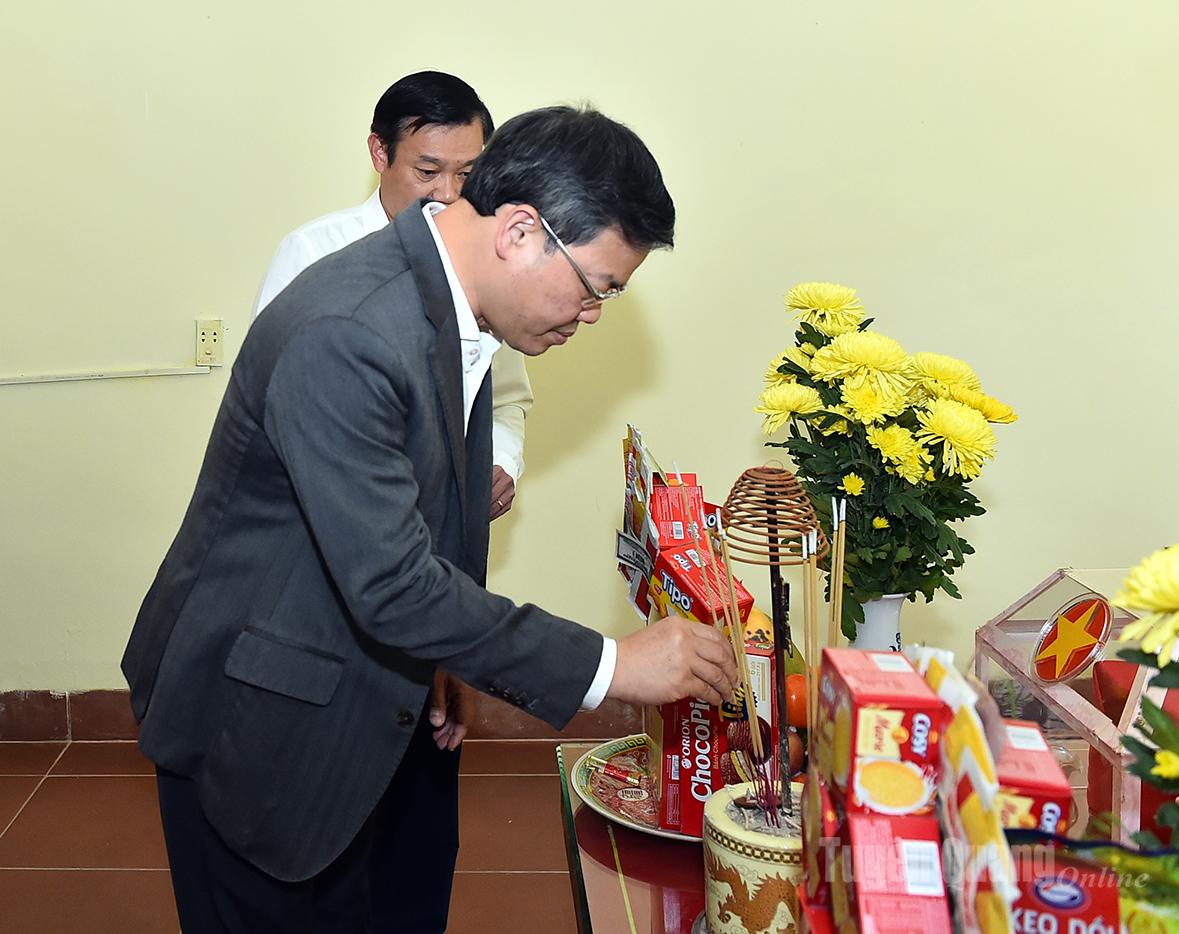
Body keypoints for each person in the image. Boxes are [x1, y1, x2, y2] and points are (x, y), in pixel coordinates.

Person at [122, 104, 738, 934]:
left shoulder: (454, 310)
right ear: (521, 232)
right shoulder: (352, 329)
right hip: (257, 716)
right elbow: (389, 582)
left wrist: (440, 651)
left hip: (347, 690)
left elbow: (418, 512)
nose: (591, 317)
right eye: (596, 289)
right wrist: (612, 666)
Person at [254, 71, 529, 523]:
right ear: (380, 152)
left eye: (467, 174)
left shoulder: (486, 267)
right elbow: (271, 399)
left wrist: (502, 461)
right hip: (325, 517)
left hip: (446, 520)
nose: (449, 194)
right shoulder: (314, 252)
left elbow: (508, 397)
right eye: (427, 172)